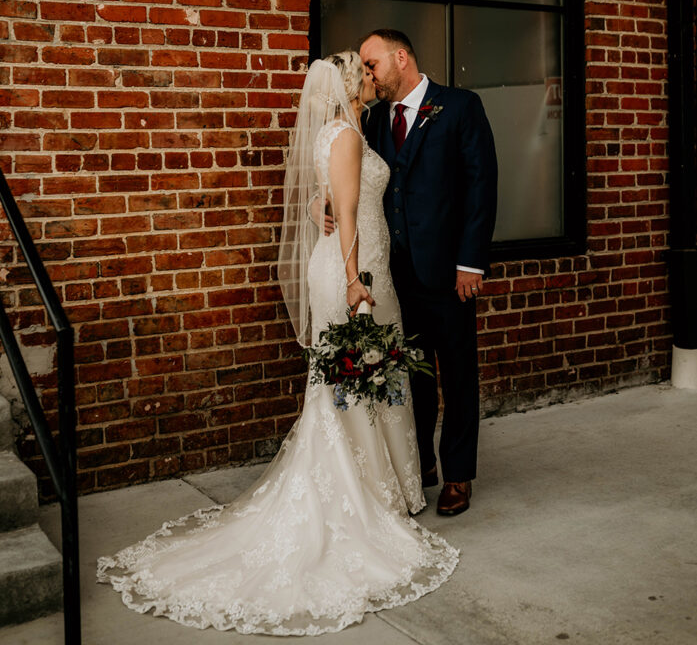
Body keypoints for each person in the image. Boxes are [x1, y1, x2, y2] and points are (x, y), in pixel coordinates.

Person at [97, 50, 458, 636]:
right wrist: (353, 281)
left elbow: (325, 202)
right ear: (347, 86)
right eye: (363, 73)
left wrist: (333, 226)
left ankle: (385, 488)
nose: (371, 78)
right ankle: (371, 496)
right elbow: (342, 206)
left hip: (359, 265)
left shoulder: (342, 134)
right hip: (354, 272)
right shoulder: (343, 135)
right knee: (356, 378)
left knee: (362, 378)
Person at [359, 29, 498, 518]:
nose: (368, 76)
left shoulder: (459, 107)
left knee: (458, 374)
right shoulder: (375, 119)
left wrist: (470, 262)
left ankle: (458, 474)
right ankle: (422, 465)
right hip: (398, 276)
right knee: (413, 374)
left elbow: (481, 187)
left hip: (450, 272)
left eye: (372, 64)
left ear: (401, 58)